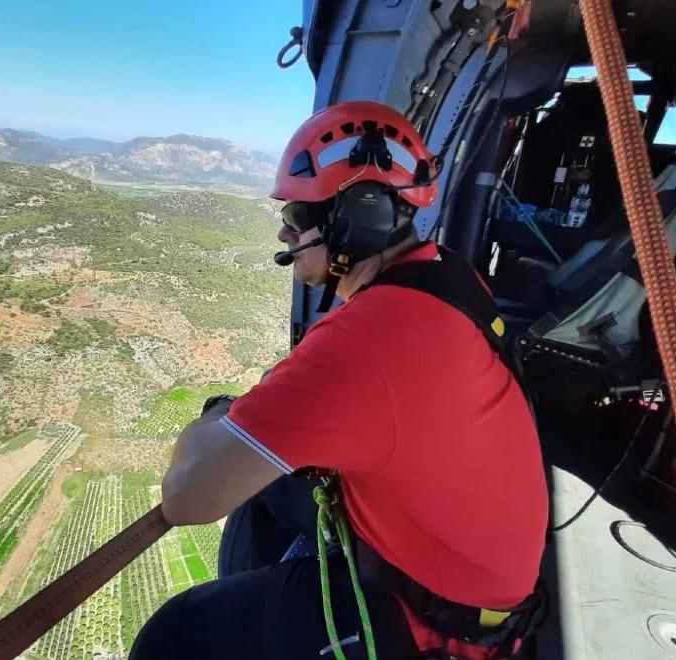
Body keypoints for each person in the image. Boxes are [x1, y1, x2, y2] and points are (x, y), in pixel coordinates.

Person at [129, 101, 548, 660]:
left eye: (298, 216)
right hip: (462, 567)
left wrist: (214, 415)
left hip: (440, 624)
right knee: (269, 489)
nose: (284, 229)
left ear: (360, 213)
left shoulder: (371, 335)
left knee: (175, 635)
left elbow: (188, 498)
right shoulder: (443, 274)